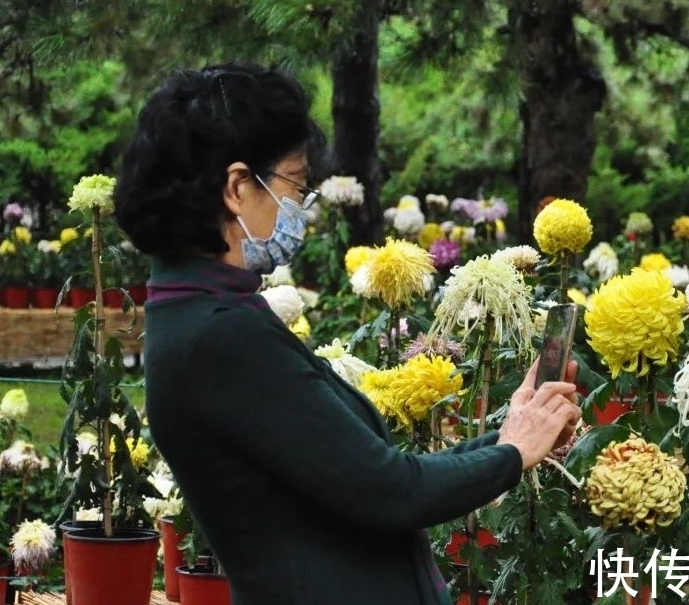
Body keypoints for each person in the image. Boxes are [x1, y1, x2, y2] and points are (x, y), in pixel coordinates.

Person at [113, 62, 582, 605]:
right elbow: (390, 491)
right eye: (296, 183)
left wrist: (515, 436)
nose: (303, 207)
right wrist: (512, 453)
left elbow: (353, 477)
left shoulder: (200, 315)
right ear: (238, 187)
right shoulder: (221, 338)